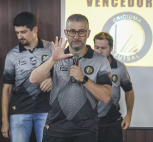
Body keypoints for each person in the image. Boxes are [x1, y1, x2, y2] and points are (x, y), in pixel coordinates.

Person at [29, 14, 112, 142]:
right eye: (72, 32)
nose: (76, 36)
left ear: (88, 33)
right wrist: (53, 60)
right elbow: (33, 79)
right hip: (55, 129)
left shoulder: (100, 61)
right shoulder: (55, 56)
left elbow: (106, 97)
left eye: (81, 32)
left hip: (85, 130)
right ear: (65, 33)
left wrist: (83, 78)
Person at [1, 12, 52, 142]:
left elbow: (65, 76)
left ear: (35, 29)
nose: (19, 36)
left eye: (23, 32)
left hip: (46, 109)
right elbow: (6, 89)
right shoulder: (12, 55)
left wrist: (53, 80)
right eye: (17, 32)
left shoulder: (51, 49)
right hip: (20, 110)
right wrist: (5, 121)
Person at [93, 32, 134, 142]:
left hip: (112, 121)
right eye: (96, 47)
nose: (99, 51)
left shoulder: (120, 68)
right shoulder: (86, 66)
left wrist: (129, 115)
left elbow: (129, 90)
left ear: (111, 48)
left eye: (103, 48)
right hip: (89, 121)